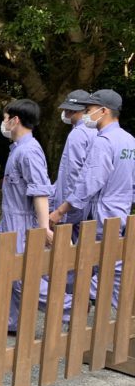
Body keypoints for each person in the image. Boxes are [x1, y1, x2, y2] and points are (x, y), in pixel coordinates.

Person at [49, 89, 135, 309]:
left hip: (101, 213)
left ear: (103, 111)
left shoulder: (103, 141)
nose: (86, 114)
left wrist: (60, 210)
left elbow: (89, 182)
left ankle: (76, 307)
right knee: (113, 262)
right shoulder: (129, 140)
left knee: (93, 263)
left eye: (89, 110)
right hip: (121, 212)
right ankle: (110, 313)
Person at [0, 99, 53, 334]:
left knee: (22, 277)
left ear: (15, 120)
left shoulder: (28, 151)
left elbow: (40, 191)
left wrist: (44, 228)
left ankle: (70, 308)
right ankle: (11, 321)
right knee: (9, 273)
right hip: (11, 219)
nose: (3, 123)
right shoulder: (18, 149)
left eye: (5, 118)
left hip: (22, 222)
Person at [51, 90, 96, 242]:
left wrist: (63, 209)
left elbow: (72, 173)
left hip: (72, 204)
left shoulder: (78, 134)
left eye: (67, 110)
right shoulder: (96, 130)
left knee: (65, 248)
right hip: (91, 202)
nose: (65, 113)